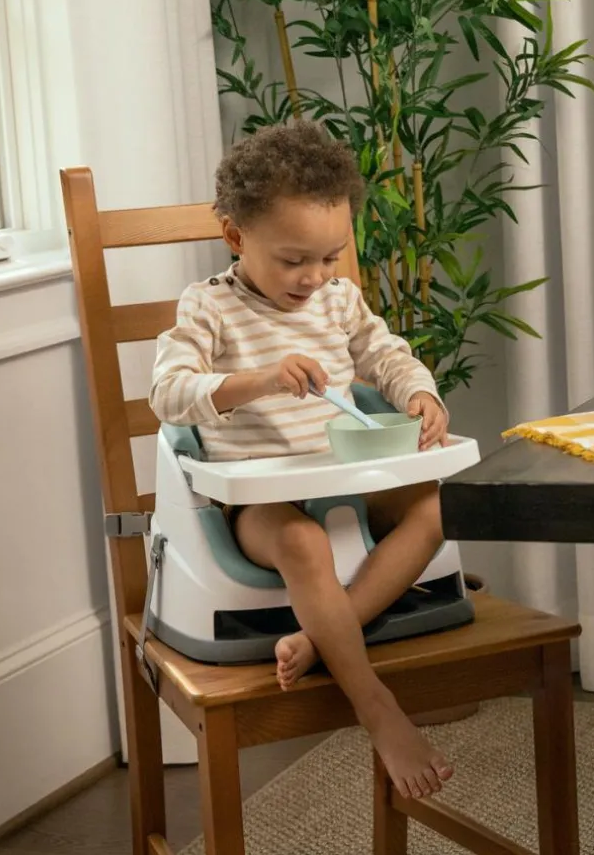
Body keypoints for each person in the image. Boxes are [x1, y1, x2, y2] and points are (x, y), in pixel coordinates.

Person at [150, 121, 452, 800]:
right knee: (305, 541)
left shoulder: (338, 300)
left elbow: (386, 356)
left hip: (339, 472)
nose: (314, 277)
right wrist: (257, 379)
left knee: (433, 509)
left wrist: (419, 395)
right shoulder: (210, 307)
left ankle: (318, 639)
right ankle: (375, 704)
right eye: (294, 260)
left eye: (331, 256)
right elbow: (168, 394)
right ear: (235, 237)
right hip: (259, 501)